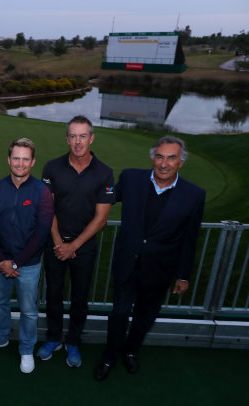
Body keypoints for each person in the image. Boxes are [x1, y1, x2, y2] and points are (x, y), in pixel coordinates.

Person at [94, 135, 205, 381]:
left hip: (160, 269)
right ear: (153, 158)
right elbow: (106, 195)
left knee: (145, 316)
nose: (164, 163)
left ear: (180, 163)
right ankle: (109, 356)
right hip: (127, 263)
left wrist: (183, 275)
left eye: (171, 158)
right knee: (119, 313)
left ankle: (131, 351)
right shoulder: (131, 178)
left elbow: (190, 239)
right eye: (159, 156)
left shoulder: (194, 195)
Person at [38, 115, 115, 368]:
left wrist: (74, 246)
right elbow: (47, 209)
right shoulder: (51, 167)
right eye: (73, 136)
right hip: (55, 243)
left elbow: (101, 218)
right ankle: (52, 338)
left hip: (84, 246)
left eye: (83, 136)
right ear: (67, 138)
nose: (78, 141)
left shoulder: (104, 172)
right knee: (53, 294)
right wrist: (60, 242)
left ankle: (73, 342)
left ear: (91, 138)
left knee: (80, 297)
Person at [0, 138, 54, 373]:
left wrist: (15, 263)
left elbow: (41, 233)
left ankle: (26, 349)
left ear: (32, 162)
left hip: (28, 265)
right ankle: (0, 337)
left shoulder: (42, 192)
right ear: (8, 160)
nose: (20, 163)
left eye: (25, 159)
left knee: (29, 311)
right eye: (16, 158)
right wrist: (2, 260)